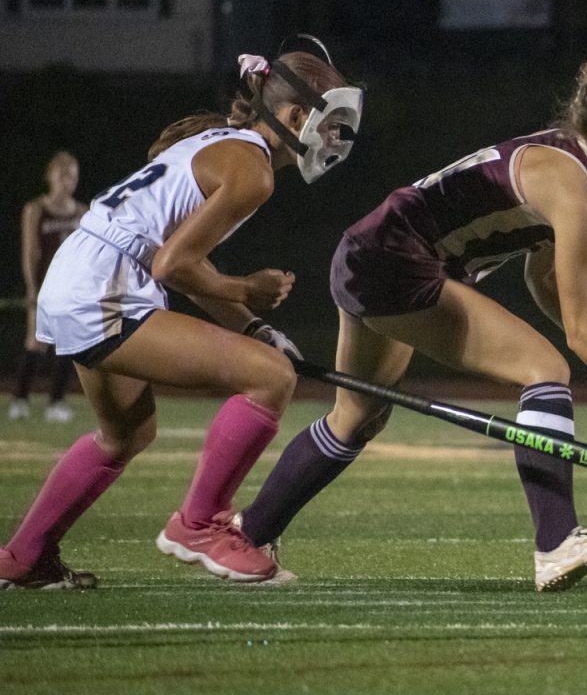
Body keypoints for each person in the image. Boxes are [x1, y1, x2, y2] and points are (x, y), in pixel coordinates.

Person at [235, 28, 587, 592]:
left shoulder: (564, 166)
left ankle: (249, 535)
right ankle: (556, 543)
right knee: (545, 369)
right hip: (395, 260)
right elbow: (582, 332)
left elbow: (543, 276)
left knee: (355, 417)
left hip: (366, 249)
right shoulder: (570, 189)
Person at [0, 36, 364, 589]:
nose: (337, 137)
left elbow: (184, 261)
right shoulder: (253, 170)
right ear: (295, 116)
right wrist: (249, 288)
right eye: (332, 121)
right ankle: (198, 525)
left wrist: (254, 326)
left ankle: (24, 557)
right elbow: (174, 265)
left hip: (83, 273)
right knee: (270, 379)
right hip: (107, 285)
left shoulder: (229, 142)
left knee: (125, 434)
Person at [8, 151, 88, 423]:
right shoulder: (35, 209)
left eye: (73, 175)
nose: (68, 180)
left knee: (68, 345)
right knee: (36, 343)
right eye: (63, 174)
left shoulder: (82, 211)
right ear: (50, 176)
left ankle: (56, 402)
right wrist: (32, 288)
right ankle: (19, 400)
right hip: (45, 287)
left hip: (72, 290)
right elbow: (30, 252)